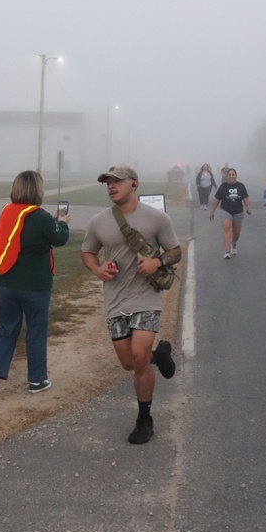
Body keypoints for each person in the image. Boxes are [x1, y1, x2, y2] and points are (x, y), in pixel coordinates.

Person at [81, 164, 181, 445]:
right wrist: (98, 270)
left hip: (145, 297)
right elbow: (87, 251)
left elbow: (175, 251)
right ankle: (159, 356)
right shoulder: (99, 221)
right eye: (107, 182)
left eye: (117, 181)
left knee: (138, 356)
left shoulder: (157, 219)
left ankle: (144, 419)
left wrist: (157, 262)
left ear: (134, 184)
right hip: (115, 300)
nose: (111, 186)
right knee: (129, 364)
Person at [0, 170, 70, 395]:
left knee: (5, 328)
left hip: (5, 283)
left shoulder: (7, 211)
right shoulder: (40, 216)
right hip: (34, 285)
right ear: (37, 190)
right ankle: (37, 380)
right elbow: (59, 238)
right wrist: (63, 223)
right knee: (36, 331)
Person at [209, 167, 252, 259]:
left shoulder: (241, 186)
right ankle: (227, 251)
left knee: (236, 232)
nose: (231, 176)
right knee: (227, 228)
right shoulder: (223, 186)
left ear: (236, 176)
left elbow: (245, 198)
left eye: (233, 174)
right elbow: (217, 199)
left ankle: (234, 243)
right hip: (225, 210)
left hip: (238, 211)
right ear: (227, 176)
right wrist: (212, 211)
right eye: (230, 175)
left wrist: (248, 207)